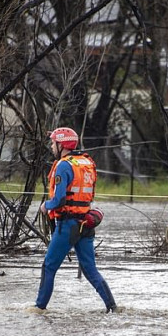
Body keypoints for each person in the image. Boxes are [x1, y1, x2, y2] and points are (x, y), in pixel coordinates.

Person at [34, 127, 117, 313]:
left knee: (48, 266)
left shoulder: (64, 165)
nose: (51, 146)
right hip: (85, 223)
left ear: (62, 145)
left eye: (53, 142)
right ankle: (112, 307)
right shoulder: (87, 162)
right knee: (90, 270)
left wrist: (45, 206)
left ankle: (39, 308)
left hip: (68, 225)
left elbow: (59, 200)